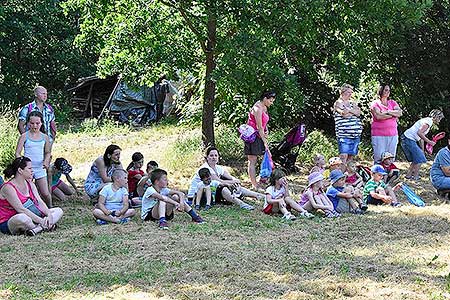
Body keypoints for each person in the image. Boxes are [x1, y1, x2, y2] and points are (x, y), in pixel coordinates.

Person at [0, 157, 63, 236]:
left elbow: (39, 201)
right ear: (20, 170)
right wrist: (41, 220)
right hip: (11, 220)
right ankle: (44, 226)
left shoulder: (30, 183)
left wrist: (49, 215)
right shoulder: (8, 188)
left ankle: (37, 229)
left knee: (58, 210)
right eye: (29, 168)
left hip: (32, 216)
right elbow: (21, 209)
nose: (32, 170)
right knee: (22, 218)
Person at [187, 147, 263, 210]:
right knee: (223, 188)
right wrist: (233, 182)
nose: (214, 158)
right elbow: (219, 181)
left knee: (231, 185)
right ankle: (241, 204)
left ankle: (258, 196)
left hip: (210, 192)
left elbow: (230, 177)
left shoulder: (218, 168)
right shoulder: (205, 168)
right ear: (207, 157)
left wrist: (235, 181)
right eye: (211, 155)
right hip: (197, 196)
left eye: (216, 155)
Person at [15, 111, 52, 207]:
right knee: (28, 193)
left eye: (37, 123)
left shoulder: (45, 137)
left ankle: (50, 208)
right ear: (28, 123)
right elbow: (17, 152)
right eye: (32, 123)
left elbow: (48, 152)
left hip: (40, 168)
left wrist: (46, 161)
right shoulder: (24, 136)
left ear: (41, 123)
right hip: (27, 169)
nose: (34, 126)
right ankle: (30, 209)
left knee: (45, 193)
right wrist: (22, 165)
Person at [401, 109, 444, 180]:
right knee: (420, 159)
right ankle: (415, 176)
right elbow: (419, 133)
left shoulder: (427, 121)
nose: (439, 121)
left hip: (408, 138)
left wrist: (422, 150)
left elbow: (420, 138)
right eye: (439, 119)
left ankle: (408, 175)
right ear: (436, 117)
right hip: (408, 139)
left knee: (417, 158)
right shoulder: (428, 122)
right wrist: (430, 142)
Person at [245, 91, 276, 190]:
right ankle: (254, 185)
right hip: (253, 137)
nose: (271, 103)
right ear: (265, 99)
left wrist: (266, 130)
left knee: (261, 158)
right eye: (270, 100)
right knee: (252, 160)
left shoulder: (265, 108)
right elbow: (259, 126)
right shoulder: (257, 108)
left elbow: (264, 124)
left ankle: (260, 179)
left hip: (259, 136)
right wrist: (265, 142)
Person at [370, 84, 403, 163]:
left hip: (392, 134)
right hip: (379, 135)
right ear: (381, 90)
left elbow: (400, 113)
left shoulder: (392, 102)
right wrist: (393, 115)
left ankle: (389, 174)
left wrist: (387, 112)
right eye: (386, 90)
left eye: (389, 90)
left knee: (390, 158)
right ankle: (377, 174)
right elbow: (378, 116)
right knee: (379, 157)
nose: (388, 92)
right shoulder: (375, 103)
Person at [333, 84, 363, 164]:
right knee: (343, 157)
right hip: (344, 135)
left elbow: (359, 113)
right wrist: (353, 112)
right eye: (348, 92)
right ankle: (341, 175)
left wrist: (349, 111)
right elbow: (344, 114)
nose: (350, 94)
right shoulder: (338, 103)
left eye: (351, 92)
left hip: (355, 135)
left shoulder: (353, 103)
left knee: (351, 158)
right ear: (343, 92)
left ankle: (348, 175)